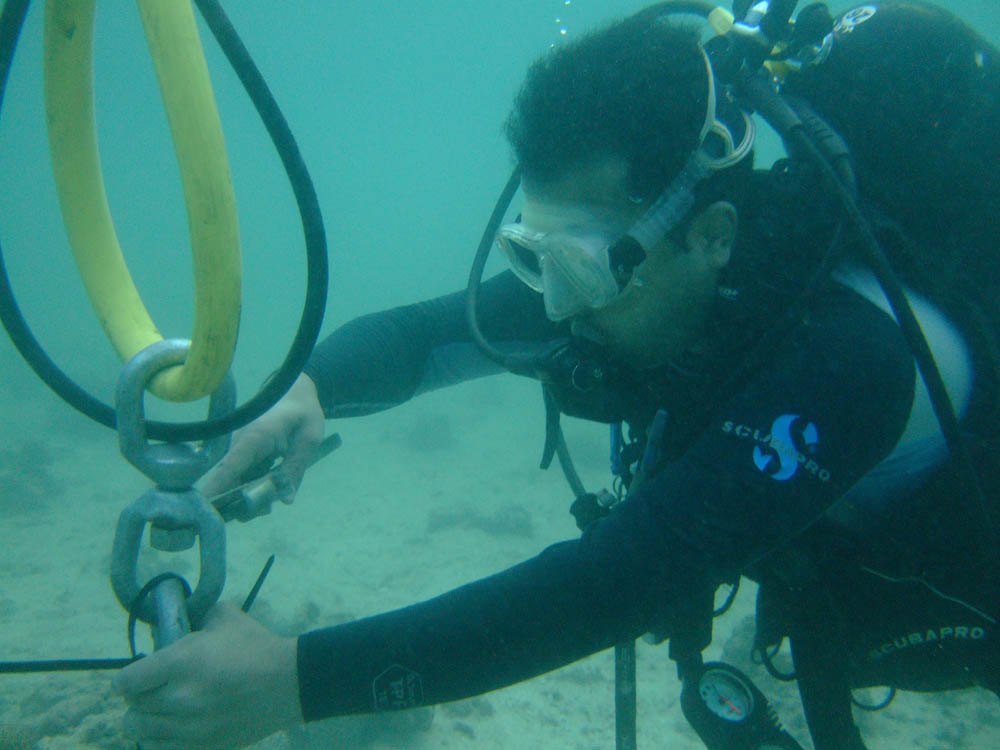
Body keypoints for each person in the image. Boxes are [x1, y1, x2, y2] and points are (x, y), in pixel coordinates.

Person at [111, 2, 1000, 748]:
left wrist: (292, 681)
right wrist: (307, 390)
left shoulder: (859, 358)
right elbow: (424, 335)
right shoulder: (647, 265)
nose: (559, 307)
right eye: (533, 257)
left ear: (713, 236)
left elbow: (618, 581)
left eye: (577, 266)